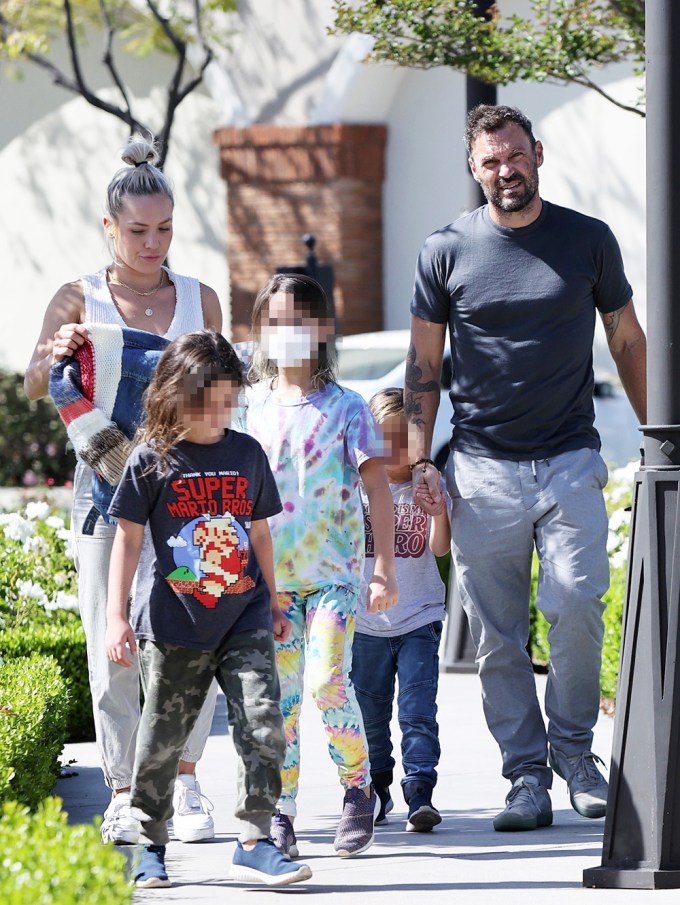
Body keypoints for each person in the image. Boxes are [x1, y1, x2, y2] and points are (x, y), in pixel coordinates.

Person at [406, 104, 647, 832]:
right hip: (480, 468)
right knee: (498, 635)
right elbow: (423, 361)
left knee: (576, 602)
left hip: (571, 456)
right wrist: (420, 458)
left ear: (537, 153)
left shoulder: (588, 240)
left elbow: (628, 340)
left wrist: (662, 431)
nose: (505, 170)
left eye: (515, 155)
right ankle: (524, 778)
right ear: (474, 169)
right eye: (490, 161)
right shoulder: (445, 248)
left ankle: (575, 754)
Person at [24, 134, 220, 845]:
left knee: (192, 642)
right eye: (137, 230)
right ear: (109, 227)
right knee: (113, 649)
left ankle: (188, 780)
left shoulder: (201, 299)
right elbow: (33, 386)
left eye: (165, 228)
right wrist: (56, 347)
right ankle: (125, 791)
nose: (152, 242)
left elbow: (222, 396)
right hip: (103, 497)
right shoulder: (78, 297)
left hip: (189, 501)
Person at [105, 329, 313, 889]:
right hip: (174, 624)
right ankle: (150, 842)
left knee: (263, 723)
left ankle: (255, 839)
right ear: (176, 393)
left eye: (230, 397)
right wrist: (116, 616)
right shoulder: (151, 459)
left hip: (243, 614)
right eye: (210, 398)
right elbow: (126, 538)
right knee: (160, 741)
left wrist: (270, 600)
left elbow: (261, 533)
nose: (223, 410)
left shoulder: (246, 453)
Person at [243, 273, 399, 859]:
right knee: (279, 700)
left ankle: (358, 788)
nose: (287, 333)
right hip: (270, 585)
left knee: (326, 680)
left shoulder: (348, 408)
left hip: (334, 576)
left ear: (321, 330)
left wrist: (382, 565)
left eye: (299, 321)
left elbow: (377, 491)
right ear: (261, 330)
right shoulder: (248, 409)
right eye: (276, 321)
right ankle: (282, 810)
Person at [350, 387, 450, 832]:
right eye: (383, 437)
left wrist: (440, 511)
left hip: (419, 619)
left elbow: (441, 547)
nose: (393, 449)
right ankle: (377, 788)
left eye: (403, 437)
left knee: (417, 711)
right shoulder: (355, 488)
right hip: (365, 623)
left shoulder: (428, 483)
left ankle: (420, 791)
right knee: (370, 717)